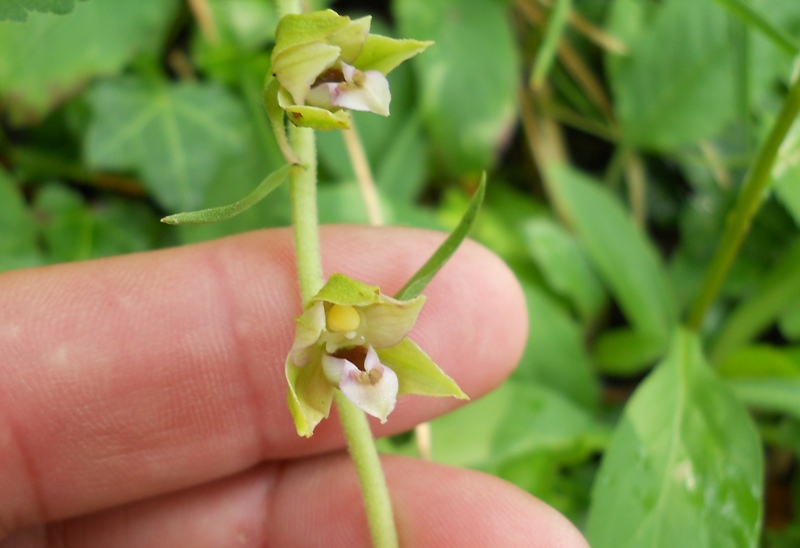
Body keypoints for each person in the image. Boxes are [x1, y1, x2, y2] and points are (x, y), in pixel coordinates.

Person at [0, 226, 588, 546]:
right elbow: (308, 397)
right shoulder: (313, 360)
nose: (354, 349)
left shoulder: (370, 349)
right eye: (342, 341)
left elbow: (379, 364)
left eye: (355, 343)